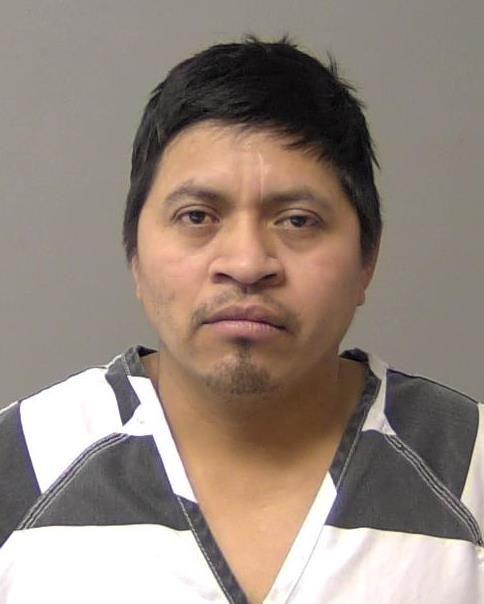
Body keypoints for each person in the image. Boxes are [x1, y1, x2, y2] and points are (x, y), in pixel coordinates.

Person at [0, 37, 482, 604]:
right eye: (197, 216)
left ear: (367, 259)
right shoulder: (20, 465)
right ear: (134, 253)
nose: (248, 264)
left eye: (298, 220)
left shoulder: (469, 467)